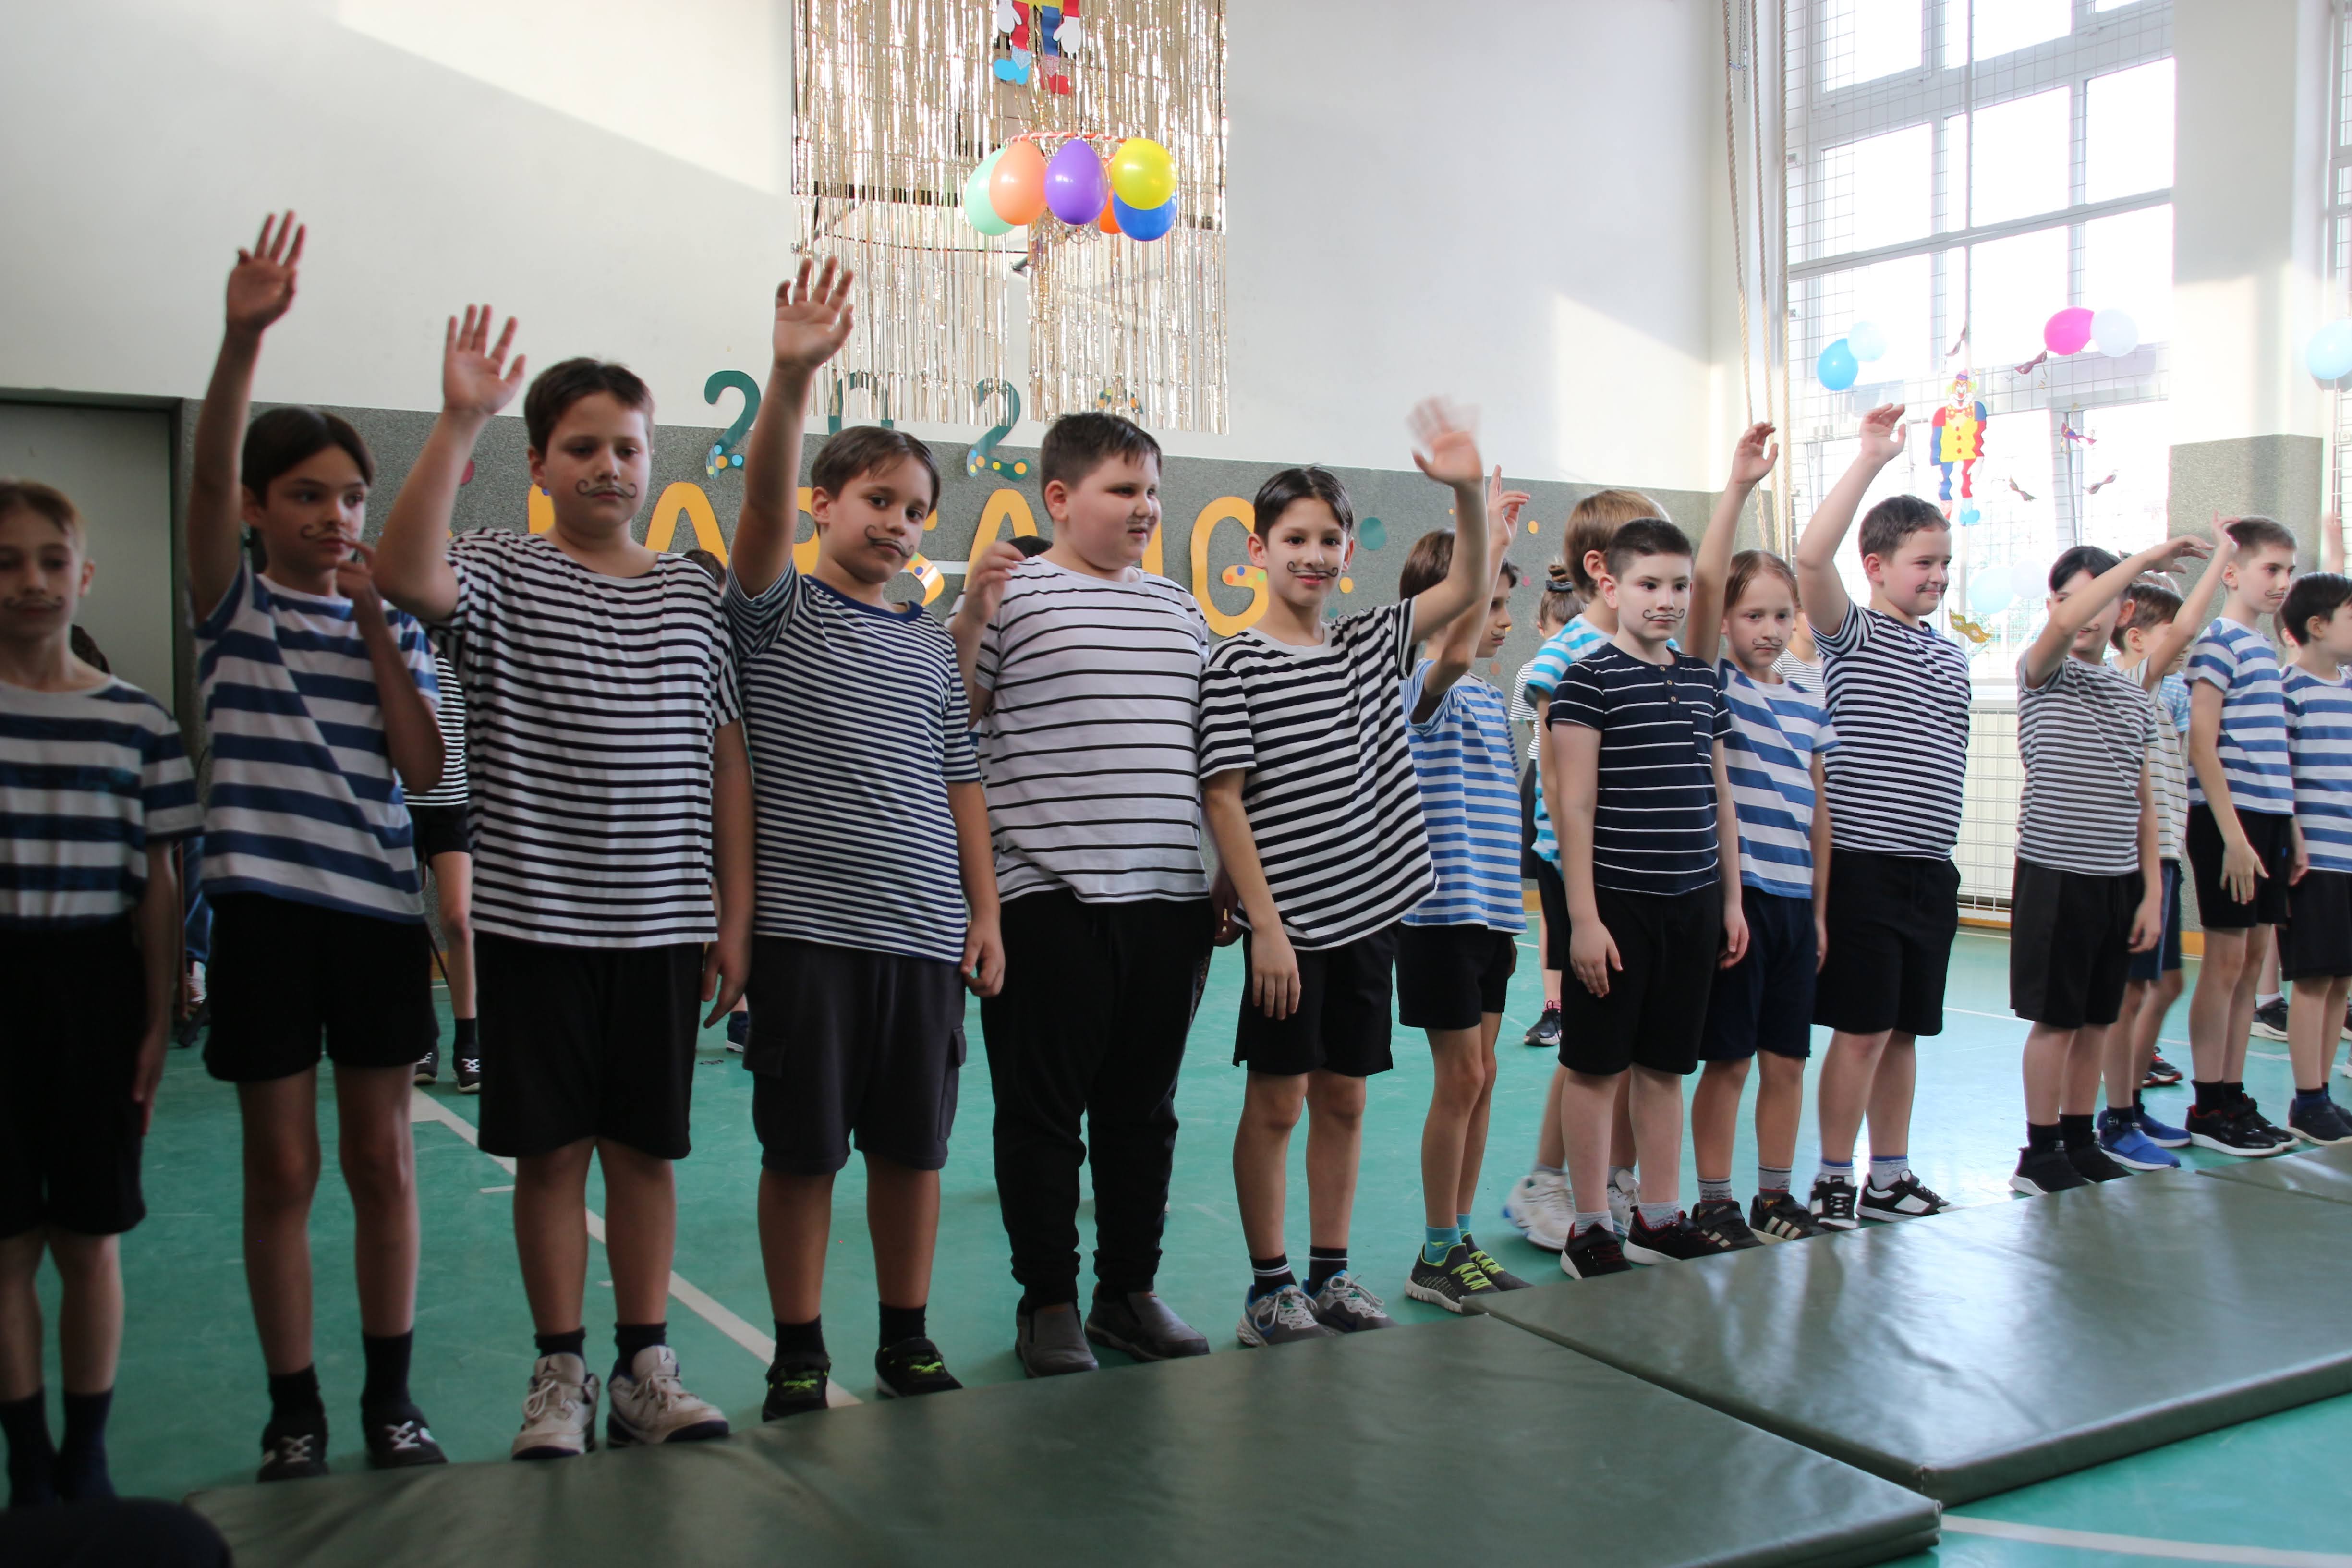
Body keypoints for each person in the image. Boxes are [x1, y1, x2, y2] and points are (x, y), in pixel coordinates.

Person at [374, 307, 751, 1459]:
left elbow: (726, 761)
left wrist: (736, 916)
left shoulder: (690, 592)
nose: (607, 466)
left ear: (652, 460)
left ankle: (645, 1366)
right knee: (549, 1156)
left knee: (644, 1153)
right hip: (534, 925)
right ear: (536, 463)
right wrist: (459, 418)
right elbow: (400, 570)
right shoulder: (497, 567)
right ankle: (561, 1371)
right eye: (581, 447)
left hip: (662, 926)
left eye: (627, 447)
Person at [184, 215, 449, 1481]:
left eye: (350, 496)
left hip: (376, 916)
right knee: (282, 1168)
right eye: (306, 494)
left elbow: (423, 769)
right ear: (255, 507)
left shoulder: (395, 623)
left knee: (382, 1161)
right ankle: (295, 1412)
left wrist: (379, 626)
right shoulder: (229, 604)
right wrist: (242, 340)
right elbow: (202, 482)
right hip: (263, 919)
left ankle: (392, 1400)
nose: (335, 515)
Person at [720, 260, 1004, 1414]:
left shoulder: (928, 645)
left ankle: (905, 1338)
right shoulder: (774, 611)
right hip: (806, 940)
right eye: (877, 500)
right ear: (822, 504)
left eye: (915, 509)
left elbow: (961, 783)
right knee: (802, 1155)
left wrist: (985, 914)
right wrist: (790, 376)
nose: (897, 523)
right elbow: (755, 515)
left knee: (912, 1153)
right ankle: (798, 1347)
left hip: (923, 940)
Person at [1200, 402, 1492, 1343]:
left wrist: (1463, 491)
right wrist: (1265, 928)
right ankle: (1268, 1288)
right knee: (1277, 1100)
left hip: (1368, 917)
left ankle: (1329, 1273)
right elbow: (1223, 801)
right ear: (1257, 550)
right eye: (1295, 539)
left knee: (1345, 1095)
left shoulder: (1369, 643)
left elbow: (1469, 584)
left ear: (1347, 552)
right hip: (1288, 929)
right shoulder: (1233, 664)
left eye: (1329, 540)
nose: (1314, 555)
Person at [950, 413, 1214, 1377]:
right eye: (1122, 490)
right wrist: (970, 617)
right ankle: (1048, 1302)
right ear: (1058, 499)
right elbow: (955, 717)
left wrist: (1222, 877)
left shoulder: (1179, 609)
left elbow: (1207, 754)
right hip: (1048, 898)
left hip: (1169, 902)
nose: (1145, 508)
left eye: (1152, 491)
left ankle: (1127, 1293)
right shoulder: (1012, 598)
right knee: (1042, 1116)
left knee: (1143, 1114)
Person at [0, 481, 198, 1507]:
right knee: (6, 1244)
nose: (29, 581)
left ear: (83, 574)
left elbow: (160, 884)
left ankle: (86, 1455)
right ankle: (29, 1464)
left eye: (49, 560)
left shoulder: (137, 723)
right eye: (6, 562)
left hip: (94, 990)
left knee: (90, 1236)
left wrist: (157, 1016)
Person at [1549, 517, 1745, 1276]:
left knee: (1665, 1067)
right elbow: (1574, 807)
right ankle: (1590, 1226)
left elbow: (1719, 797)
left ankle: (1658, 1217)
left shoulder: (1701, 679)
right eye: (1648, 584)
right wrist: (1584, 919)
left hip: (1692, 902)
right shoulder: (1588, 679)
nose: (1666, 600)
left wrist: (1729, 901)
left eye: (1678, 586)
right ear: (1609, 585)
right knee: (1596, 1069)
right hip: (1617, 905)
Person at [1791, 403, 1969, 1228]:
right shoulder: (1852, 635)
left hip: (1929, 869)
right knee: (1860, 1031)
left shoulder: (1950, 656)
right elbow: (1807, 558)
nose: (1937, 577)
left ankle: (1888, 1175)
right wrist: (1868, 459)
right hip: (1863, 865)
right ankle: (1833, 1175)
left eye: (1944, 563)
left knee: (1902, 1032)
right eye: (1923, 563)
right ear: (1875, 566)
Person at [1498, 488, 1669, 1253]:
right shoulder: (1564, 655)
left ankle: (1616, 1179)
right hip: (1581, 870)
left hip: (1639, 871)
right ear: (1603, 569)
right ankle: (1543, 1179)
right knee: (1593, 1043)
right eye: (1643, 566)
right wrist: (1581, 894)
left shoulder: (1652, 650)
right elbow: (1562, 780)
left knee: (1632, 1043)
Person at [2007, 540, 2205, 1194]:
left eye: (2102, 600)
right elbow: (2067, 625)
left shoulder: (2132, 693)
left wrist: (2148, 893)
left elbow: (2144, 803)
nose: (2085, 613)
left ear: (2122, 612)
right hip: (2056, 872)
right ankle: (2039, 1154)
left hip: (2117, 879)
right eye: (2071, 599)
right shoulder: (2043, 670)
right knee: (2055, 1021)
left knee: (2096, 1019)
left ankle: (2077, 1138)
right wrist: (2146, 558)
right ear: (2054, 606)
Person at [1683, 423, 1836, 1246]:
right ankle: (1714, 1200)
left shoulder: (1809, 701)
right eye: (1753, 615)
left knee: (1786, 1059)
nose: (1769, 628)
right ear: (1726, 621)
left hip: (1793, 907)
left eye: (1782, 614)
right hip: (1738, 905)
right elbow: (1704, 586)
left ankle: (1774, 1195)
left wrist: (1817, 912)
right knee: (1731, 1058)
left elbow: (1819, 813)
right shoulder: (1712, 683)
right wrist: (1739, 487)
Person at [1394, 475, 1530, 1312]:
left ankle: (1461, 1237)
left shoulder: (1484, 696)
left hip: (1491, 915)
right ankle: (1435, 1250)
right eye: (1492, 603)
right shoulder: (1423, 686)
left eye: (1505, 602)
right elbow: (1447, 651)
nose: (1503, 620)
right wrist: (1489, 542)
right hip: (1438, 917)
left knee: (1481, 1074)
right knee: (1459, 1078)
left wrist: (1494, 555)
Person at [2181, 515, 2304, 1157]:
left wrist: (2289, 829)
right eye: (2270, 569)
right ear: (2231, 573)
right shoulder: (2218, 643)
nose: (2281, 582)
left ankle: (2232, 1093)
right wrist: (2232, 835)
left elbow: (2274, 754)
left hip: (2267, 820)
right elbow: (2201, 744)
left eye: (2289, 571)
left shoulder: (2264, 648)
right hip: (2228, 820)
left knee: (2254, 960)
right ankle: (2208, 1103)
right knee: (2225, 961)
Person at [2104, 551, 2232, 1164]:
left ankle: (2128, 1104)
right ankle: (2115, 1116)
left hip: (2165, 857)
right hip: (2140, 859)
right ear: (2135, 639)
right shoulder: (2133, 682)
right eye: (2167, 634)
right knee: (2132, 992)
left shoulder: (2158, 699)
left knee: (2165, 982)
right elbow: (2184, 629)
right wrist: (2222, 558)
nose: (2182, 646)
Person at [2275, 568, 2352, 1143]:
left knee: (2339, 980)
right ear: (2317, 626)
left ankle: (2321, 1092)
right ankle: (2305, 1099)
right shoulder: (2288, 690)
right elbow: (2280, 777)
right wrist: (2292, 838)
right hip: (2314, 861)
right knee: (2311, 978)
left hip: (2347, 858)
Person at [404, 642, 477, 1092]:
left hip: (453, 800)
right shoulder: (391, 629)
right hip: (397, 796)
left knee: (458, 918)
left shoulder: (460, 635)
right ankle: (422, 1036)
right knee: (406, 921)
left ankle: (469, 1042)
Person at [1510, 568, 1577, 1053]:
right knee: (1553, 903)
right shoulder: (1534, 672)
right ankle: (1555, 1008)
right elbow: (1536, 733)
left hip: (1592, 784)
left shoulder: (1597, 661)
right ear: (1540, 629)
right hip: (1544, 782)